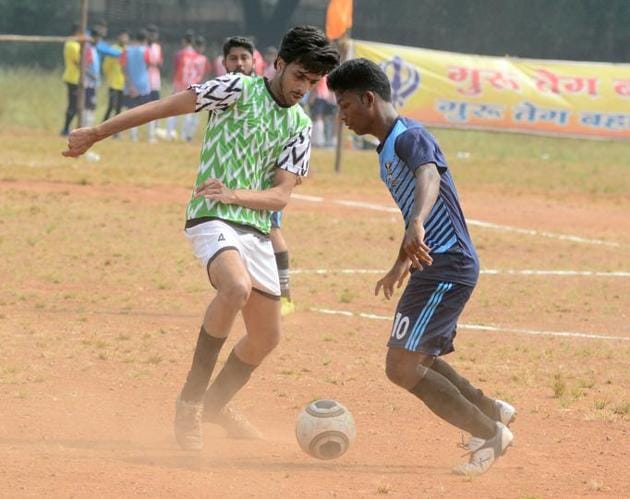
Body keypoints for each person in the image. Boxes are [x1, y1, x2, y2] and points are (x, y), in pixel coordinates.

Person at [62, 25, 339, 451]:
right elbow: (164, 107)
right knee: (235, 288)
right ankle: (190, 402)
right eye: (300, 75)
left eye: (313, 81)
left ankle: (215, 404)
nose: (304, 87)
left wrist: (238, 194)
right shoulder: (235, 88)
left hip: (254, 225)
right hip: (211, 214)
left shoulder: (300, 125)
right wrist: (96, 132)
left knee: (267, 338)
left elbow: (281, 194)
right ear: (279, 64)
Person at [327, 58, 516, 476]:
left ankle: (489, 433)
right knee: (417, 359)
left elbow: (428, 176)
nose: (341, 115)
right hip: (430, 265)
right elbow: (413, 208)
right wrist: (399, 262)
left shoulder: (409, 137)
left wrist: (416, 222)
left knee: (402, 366)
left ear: (368, 99)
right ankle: (492, 411)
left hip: (448, 267)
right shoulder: (387, 149)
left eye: (343, 106)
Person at [220, 35, 296, 315]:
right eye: (233, 58)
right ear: (224, 63)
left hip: (263, 181)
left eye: (244, 58)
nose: (239, 64)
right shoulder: (225, 91)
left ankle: (283, 295)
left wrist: (291, 169)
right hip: (233, 180)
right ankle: (245, 291)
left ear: (255, 62)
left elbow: (292, 125)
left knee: (272, 231)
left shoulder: (269, 91)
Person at [166, 31, 198, 141]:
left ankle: (169, 134)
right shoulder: (196, 56)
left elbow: (176, 68)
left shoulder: (179, 54)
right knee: (188, 112)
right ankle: (185, 136)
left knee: (172, 109)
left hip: (179, 83)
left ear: (184, 41)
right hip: (191, 84)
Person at [121, 30, 151, 141]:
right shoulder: (146, 51)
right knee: (149, 111)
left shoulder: (126, 51)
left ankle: (133, 137)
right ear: (145, 40)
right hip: (143, 85)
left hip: (130, 86)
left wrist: (130, 85)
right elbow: (148, 65)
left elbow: (123, 69)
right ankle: (150, 137)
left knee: (131, 111)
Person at [61, 23, 83, 136]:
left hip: (72, 77)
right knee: (73, 105)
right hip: (73, 78)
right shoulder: (74, 45)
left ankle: (66, 128)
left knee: (74, 105)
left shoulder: (69, 43)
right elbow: (78, 62)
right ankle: (65, 129)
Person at [102, 30, 129, 122]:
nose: (124, 39)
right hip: (113, 82)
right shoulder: (113, 49)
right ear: (118, 38)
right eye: (123, 37)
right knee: (111, 105)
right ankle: (104, 124)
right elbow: (106, 66)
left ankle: (116, 130)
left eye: (126, 37)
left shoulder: (127, 50)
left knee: (119, 107)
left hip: (122, 83)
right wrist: (109, 76)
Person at [146, 24, 164, 142]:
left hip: (155, 80)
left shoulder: (157, 47)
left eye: (154, 33)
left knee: (156, 106)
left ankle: (153, 133)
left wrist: (156, 63)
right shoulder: (144, 47)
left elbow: (160, 63)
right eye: (151, 33)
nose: (153, 35)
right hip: (144, 81)